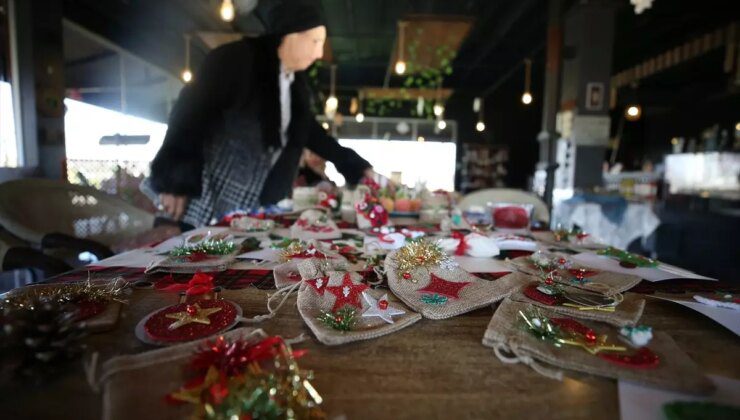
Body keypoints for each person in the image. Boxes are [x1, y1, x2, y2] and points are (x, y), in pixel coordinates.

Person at [146, 0, 372, 229]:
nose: (319, 53)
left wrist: (354, 165)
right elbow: (190, 113)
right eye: (315, 41)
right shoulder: (237, 60)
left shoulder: (295, 88)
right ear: (290, 35)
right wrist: (175, 181)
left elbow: (312, 134)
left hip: (251, 207)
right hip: (201, 199)